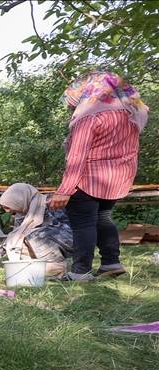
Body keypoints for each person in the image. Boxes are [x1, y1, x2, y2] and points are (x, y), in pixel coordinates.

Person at [47, 70, 149, 281]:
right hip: (116, 180)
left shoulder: (90, 116)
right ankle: (111, 263)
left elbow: (77, 155)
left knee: (83, 223)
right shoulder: (132, 114)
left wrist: (64, 191)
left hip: (87, 179)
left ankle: (80, 272)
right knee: (103, 218)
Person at [0, 183, 73, 276]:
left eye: (9, 207)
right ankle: (39, 267)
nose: (7, 211)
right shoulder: (21, 214)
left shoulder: (50, 202)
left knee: (33, 235)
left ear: (20, 200)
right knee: (17, 242)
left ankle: (57, 265)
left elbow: (70, 227)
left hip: (73, 238)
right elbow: (14, 237)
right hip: (44, 240)